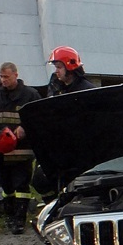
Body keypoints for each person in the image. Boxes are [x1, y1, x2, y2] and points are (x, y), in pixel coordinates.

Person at [0, 62, 42, 234]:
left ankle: (20, 220)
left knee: (21, 186)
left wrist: (25, 127)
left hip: (21, 151)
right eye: (1, 77)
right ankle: (9, 216)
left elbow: (38, 117)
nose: (3, 80)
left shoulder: (30, 95)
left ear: (15, 75)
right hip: (0, 150)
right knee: (6, 187)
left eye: (6, 77)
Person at [33, 46, 97, 204]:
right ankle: (54, 205)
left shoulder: (87, 91)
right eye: (55, 67)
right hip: (59, 149)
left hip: (81, 151)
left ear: (70, 66)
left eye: (59, 67)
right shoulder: (56, 89)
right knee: (40, 179)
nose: (56, 71)